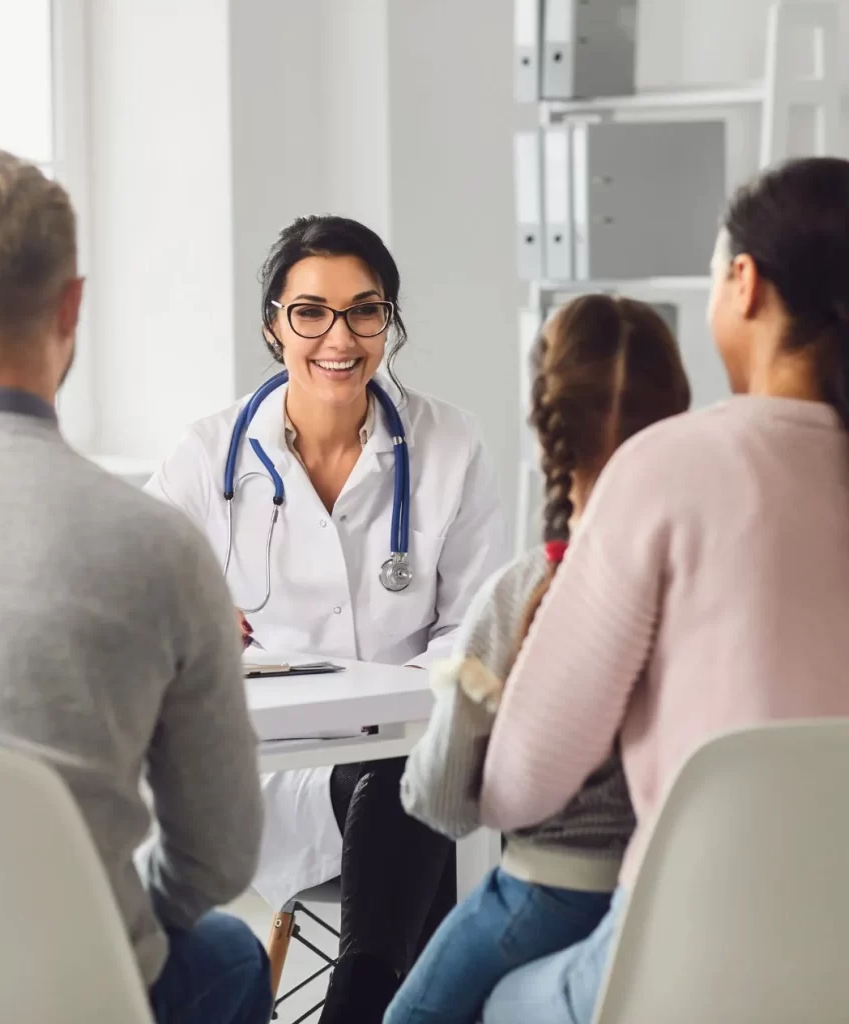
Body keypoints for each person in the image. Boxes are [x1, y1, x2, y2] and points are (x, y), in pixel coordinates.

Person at [0, 148, 271, 1024]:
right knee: (228, 953)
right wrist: (109, 929)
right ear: (73, 304)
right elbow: (220, 859)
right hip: (82, 993)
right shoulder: (160, 548)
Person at [475, 156, 849, 1024]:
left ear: (745, 285)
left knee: (495, 1004)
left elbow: (520, 783)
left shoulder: (668, 467)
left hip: (696, 952)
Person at [145, 215, 509, 1022]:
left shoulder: (451, 446)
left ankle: (358, 998)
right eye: (310, 311)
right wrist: (201, 628)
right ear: (274, 324)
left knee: (409, 774)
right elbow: (139, 612)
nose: (338, 337)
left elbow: (476, 631)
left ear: (390, 321)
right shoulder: (207, 459)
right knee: (418, 793)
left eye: (364, 310)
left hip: (415, 754)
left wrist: (394, 705)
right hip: (271, 772)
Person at [386, 295, 691, 1024]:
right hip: (668, 899)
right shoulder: (701, 586)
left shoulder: (527, 593)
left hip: (541, 896)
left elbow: (437, 802)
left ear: (542, 431)